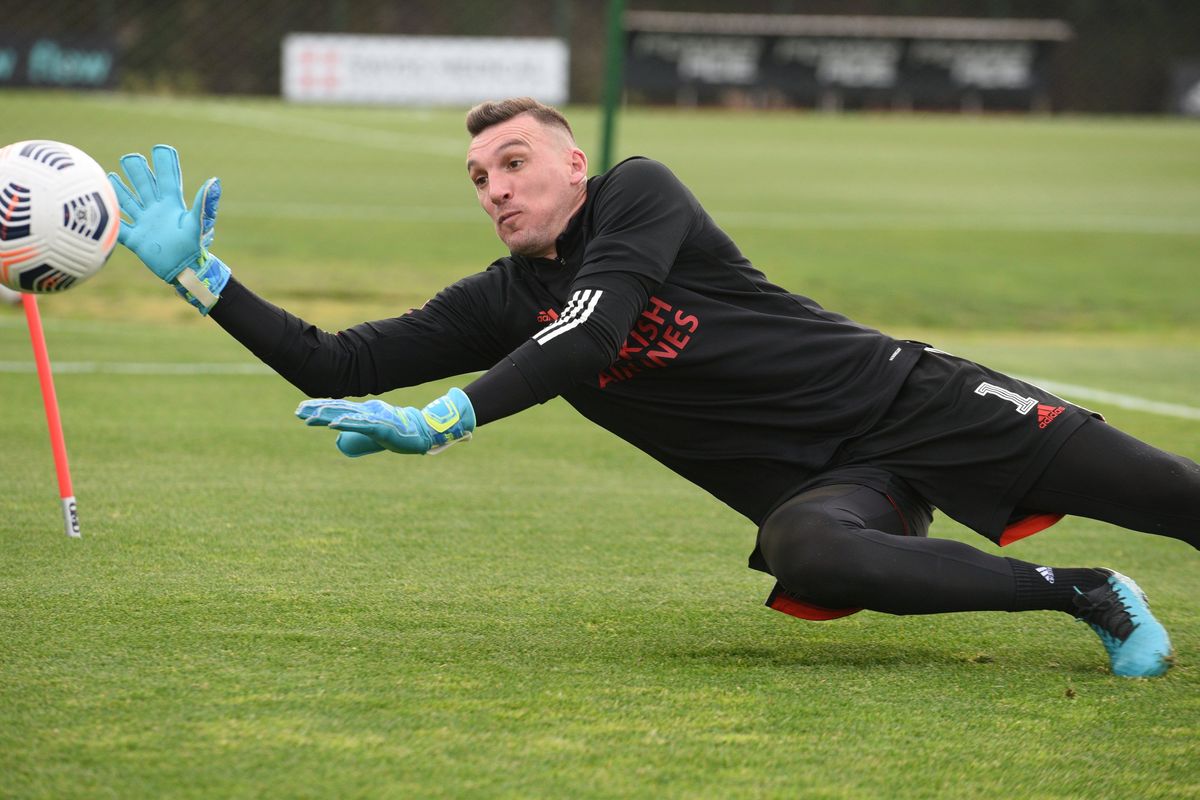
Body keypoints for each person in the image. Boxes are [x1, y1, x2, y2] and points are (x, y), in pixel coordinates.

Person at [108, 97, 1197, 678]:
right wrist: (205, 279)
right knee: (811, 549)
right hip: (831, 482)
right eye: (480, 177)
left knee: (1178, 495)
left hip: (915, 397)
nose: (496, 186)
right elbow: (336, 361)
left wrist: (446, 417)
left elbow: (591, 333)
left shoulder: (640, 194)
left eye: (517, 161)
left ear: (575, 165)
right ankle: (1085, 592)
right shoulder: (501, 299)